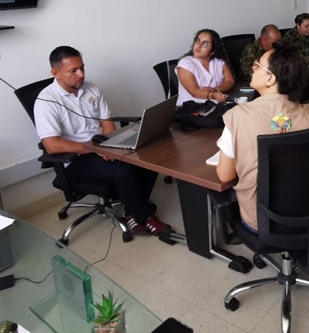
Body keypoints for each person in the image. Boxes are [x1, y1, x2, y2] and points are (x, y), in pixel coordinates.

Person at [33, 46, 170, 236]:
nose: (81, 74)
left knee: (148, 156)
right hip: (76, 158)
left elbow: (107, 122)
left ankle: (132, 210)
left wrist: (110, 146)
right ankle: (142, 215)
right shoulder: (46, 101)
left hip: (101, 145)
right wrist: (96, 150)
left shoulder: (91, 88)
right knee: (125, 168)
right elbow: (52, 145)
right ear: (55, 73)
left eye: (82, 68)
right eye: (73, 71)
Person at [215, 41, 309, 230]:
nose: (253, 67)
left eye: (258, 65)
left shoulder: (238, 116)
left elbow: (225, 175)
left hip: (264, 221)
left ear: (270, 79)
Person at [176, 29, 235, 106]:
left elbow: (230, 81)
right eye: (197, 41)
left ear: (213, 51)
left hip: (214, 105)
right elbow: (194, 91)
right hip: (190, 107)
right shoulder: (185, 63)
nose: (199, 46)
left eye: (205, 44)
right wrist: (213, 95)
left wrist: (216, 89)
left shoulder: (219, 63)